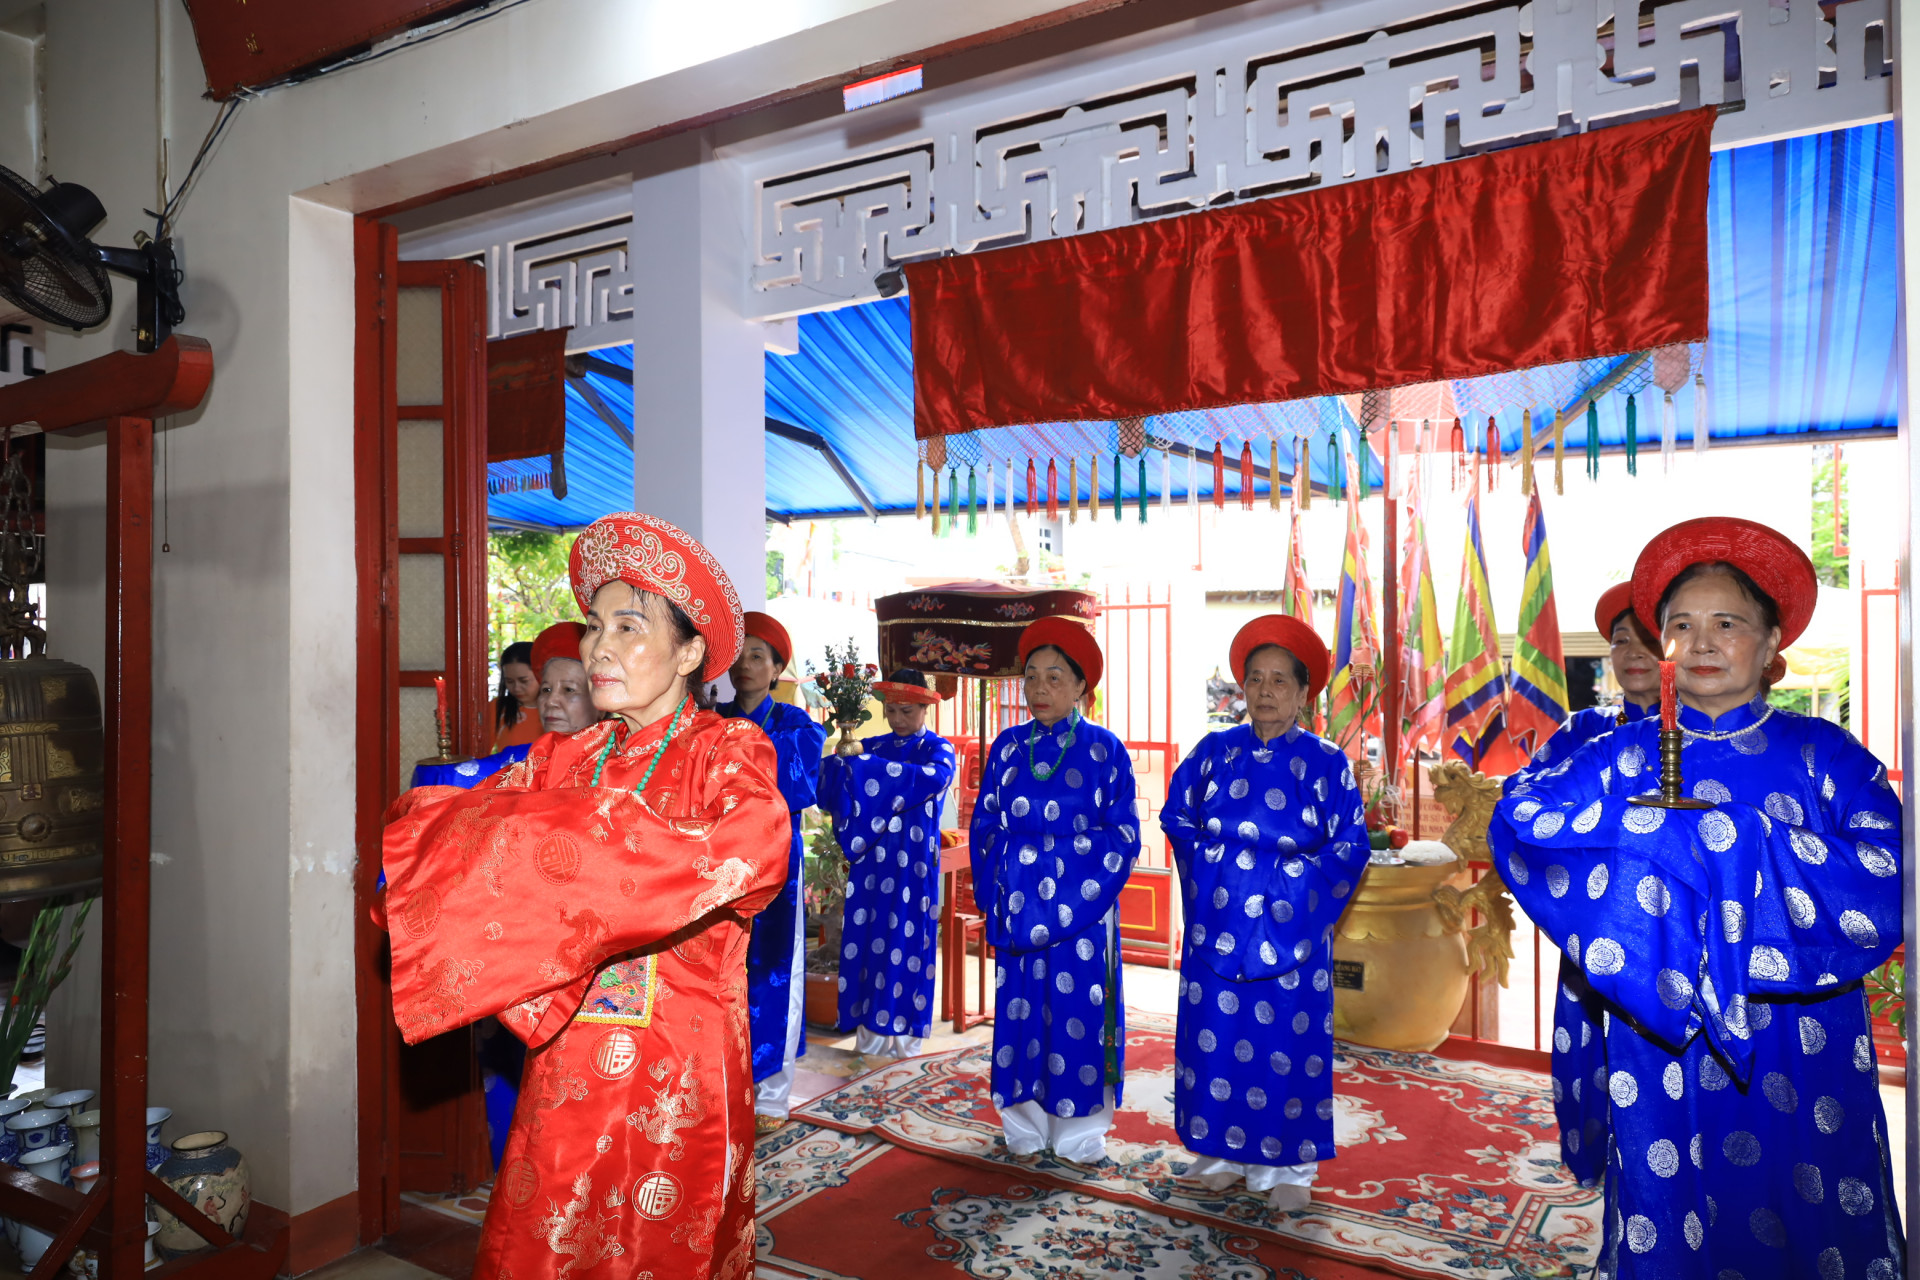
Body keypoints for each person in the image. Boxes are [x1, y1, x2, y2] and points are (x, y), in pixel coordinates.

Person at [1490, 517, 1903, 1279]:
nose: (1702, 641)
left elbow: (1885, 874)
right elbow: (1524, 817)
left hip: (1802, 1035)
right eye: (1681, 624)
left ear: (1772, 643)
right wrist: (1645, 835)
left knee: (1810, 1206)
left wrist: (1734, 844)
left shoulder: (1826, 754)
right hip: (1659, 1039)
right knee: (1668, 1210)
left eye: (1727, 623)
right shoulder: (1617, 754)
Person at [381, 512, 790, 1280]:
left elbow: (756, 849)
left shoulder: (725, 750)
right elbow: (453, 830)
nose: (599, 645)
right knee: (545, 1239)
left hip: (679, 1070)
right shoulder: (565, 758)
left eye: (630, 626)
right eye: (596, 624)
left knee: (666, 1248)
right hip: (567, 1057)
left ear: (690, 652)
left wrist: (581, 855)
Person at [1160, 615, 1365, 1209]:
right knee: (1215, 1039)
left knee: (1287, 1042)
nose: (1266, 691)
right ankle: (1220, 1153)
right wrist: (1222, 875)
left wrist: (1282, 888)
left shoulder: (1329, 764)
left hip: (1294, 928)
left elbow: (1348, 846)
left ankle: (1289, 1172)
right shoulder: (1214, 751)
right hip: (1216, 922)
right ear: (1241, 688)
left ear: (1304, 693)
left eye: (1280, 680)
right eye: (1255, 679)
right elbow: (1178, 818)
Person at [1506, 580, 1662, 1186]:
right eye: (1620, 639)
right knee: (1592, 1066)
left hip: (1677, 942)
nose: (1632, 651)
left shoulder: (1701, 734)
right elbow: (1523, 807)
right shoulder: (1582, 734)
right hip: (1595, 936)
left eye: (1647, 637)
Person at [969, 617, 1140, 1164]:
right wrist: (1014, 881)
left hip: (1083, 914)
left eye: (1055, 678)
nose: (1040, 689)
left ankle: (1079, 1131)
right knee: (1021, 1011)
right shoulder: (1007, 747)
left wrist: (1047, 873)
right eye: (1032, 677)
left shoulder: (1106, 751)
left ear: (1081, 687)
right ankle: (1023, 1124)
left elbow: (1122, 834)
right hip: (1019, 910)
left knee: (1078, 1011)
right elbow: (986, 824)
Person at [717, 611, 828, 1129]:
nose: (745, 665)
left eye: (757, 656)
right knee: (722, 972)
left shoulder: (798, 727)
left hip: (776, 865)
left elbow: (797, 788)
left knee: (773, 971)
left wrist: (731, 754)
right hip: (716, 866)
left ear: (778, 668)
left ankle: (771, 1097)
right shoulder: (708, 719)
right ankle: (724, 1083)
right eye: (739, 654)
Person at [817, 668, 957, 1058]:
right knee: (866, 942)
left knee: (908, 941)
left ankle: (907, 1042)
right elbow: (834, 775)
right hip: (871, 868)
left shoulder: (939, 750)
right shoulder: (873, 746)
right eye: (892, 710)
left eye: (907, 711)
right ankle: (870, 1039)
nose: (898, 719)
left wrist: (866, 767)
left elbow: (932, 777)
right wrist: (844, 758)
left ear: (926, 708)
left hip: (913, 869)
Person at [531, 620, 598, 737]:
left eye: (568, 689)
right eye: (546, 690)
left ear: (600, 707)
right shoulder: (520, 755)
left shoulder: (629, 754)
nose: (551, 701)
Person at [490, 640, 542, 751]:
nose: (516, 688)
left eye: (524, 681)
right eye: (509, 681)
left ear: (540, 674)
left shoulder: (557, 708)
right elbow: (480, 752)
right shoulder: (497, 707)